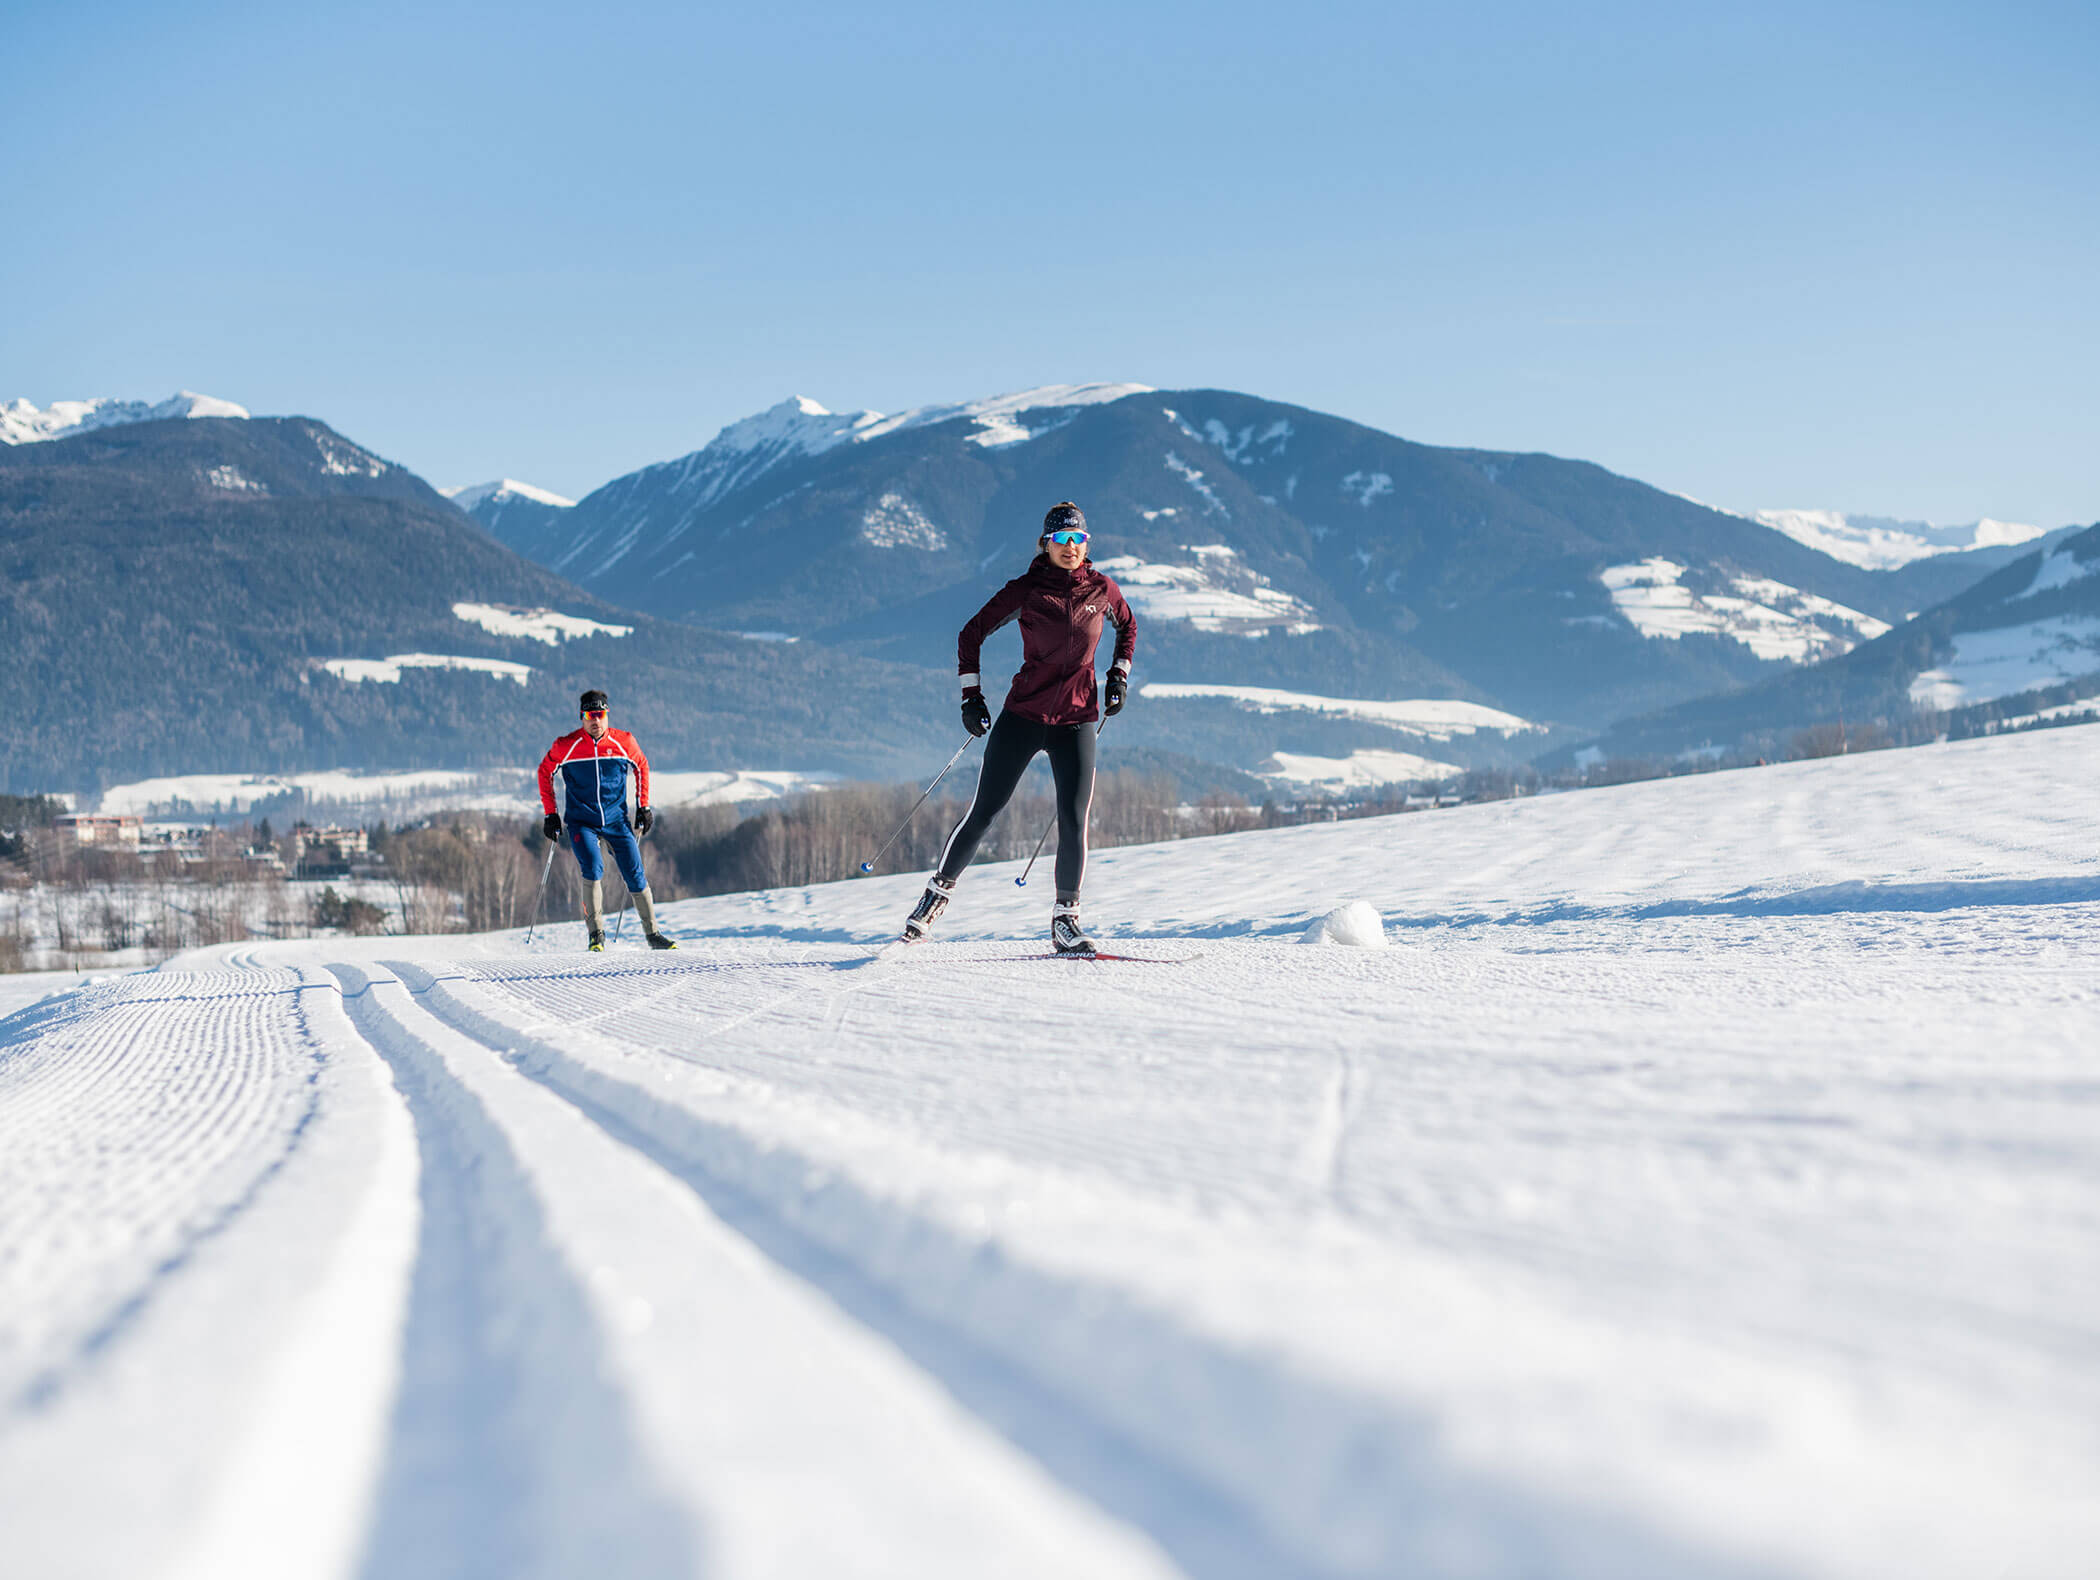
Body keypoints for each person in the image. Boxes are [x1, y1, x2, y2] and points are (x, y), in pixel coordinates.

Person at [902, 502, 1136, 953]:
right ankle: (934, 898)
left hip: (1076, 720)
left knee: (1074, 820)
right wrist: (971, 696)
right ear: (1045, 544)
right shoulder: (1026, 590)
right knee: (984, 811)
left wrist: (1118, 676)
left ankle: (1066, 920)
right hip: (1024, 716)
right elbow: (970, 634)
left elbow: (1128, 628)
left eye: (1078, 539)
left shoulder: (1102, 589)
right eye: (1061, 539)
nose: (1070, 547)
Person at [536, 689, 678, 952]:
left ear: (607, 715)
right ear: (582, 717)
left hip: (616, 820)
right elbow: (545, 771)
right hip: (582, 822)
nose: (596, 721)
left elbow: (641, 765)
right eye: (590, 715)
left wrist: (643, 805)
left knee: (635, 873)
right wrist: (550, 813)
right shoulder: (567, 745)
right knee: (592, 866)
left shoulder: (624, 741)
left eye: (600, 715)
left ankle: (653, 935)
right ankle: (596, 935)